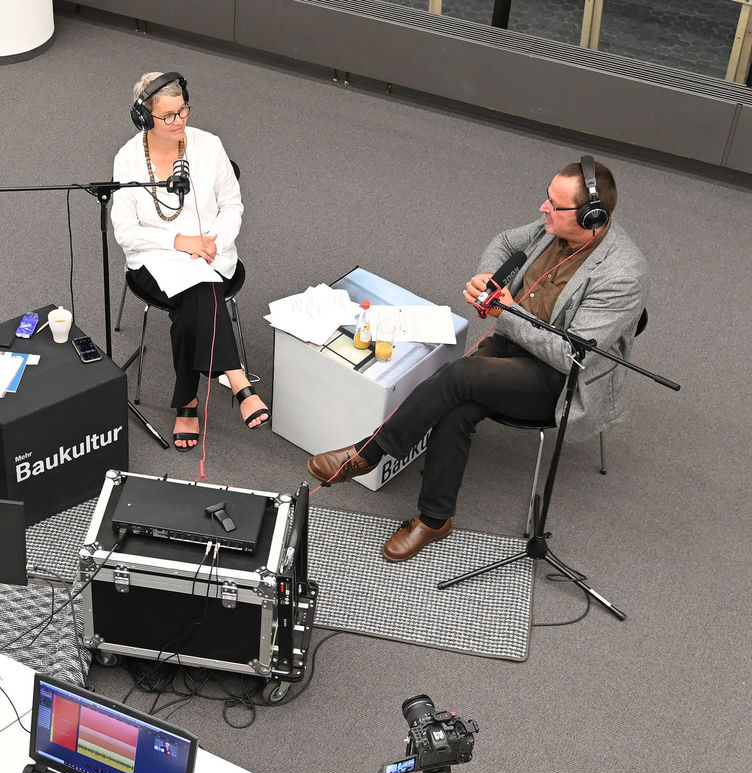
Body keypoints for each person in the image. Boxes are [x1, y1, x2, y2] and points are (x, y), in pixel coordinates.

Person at [307, 159, 647, 561]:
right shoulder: (553, 228)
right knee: (459, 404)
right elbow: (504, 241)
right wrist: (490, 277)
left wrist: (507, 312)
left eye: (555, 205)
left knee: (460, 376)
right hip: (511, 348)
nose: (542, 209)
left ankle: (370, 452)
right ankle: (434, 520)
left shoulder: (623, 272)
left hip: (560, 380)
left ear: (592, 217)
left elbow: (568, 355)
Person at [110, 72, 268, 452]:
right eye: (168, 115)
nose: (179, 121)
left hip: (211, 251)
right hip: (155, 257)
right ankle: (236, 377)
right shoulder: (129, 159)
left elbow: (233, 205)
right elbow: (125, 232)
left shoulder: (209, 146)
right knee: (197, 289)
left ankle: (187, 401)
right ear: (145, 118)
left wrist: (215, 241)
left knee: (192, 299)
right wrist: (179, 240)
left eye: (183, 110)